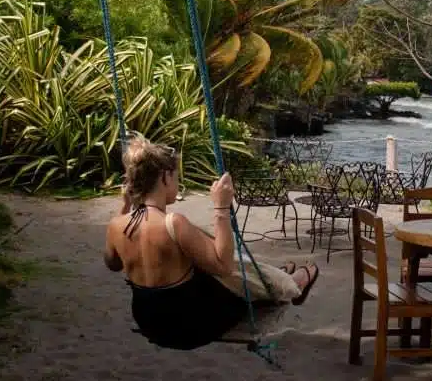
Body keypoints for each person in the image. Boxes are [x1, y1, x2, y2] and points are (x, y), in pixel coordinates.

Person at [104, 135, 319, 349]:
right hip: (190, 326)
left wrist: (125, 206)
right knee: (233, 269)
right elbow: (223, 266)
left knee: (217, 263)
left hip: (150, 323)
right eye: (177, 177)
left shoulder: (116, 225)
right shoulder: (173, 224)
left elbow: (113, 264)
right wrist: (221, 209)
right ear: (165, 178)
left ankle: (277, 276)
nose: (178, 183)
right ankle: (290, 282)